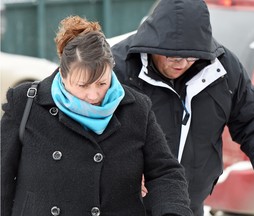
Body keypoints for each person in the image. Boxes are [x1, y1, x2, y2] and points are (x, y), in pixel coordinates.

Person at [1, 15, 194, 216]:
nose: (93, 96)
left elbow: (165, 173)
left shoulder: (136, 108)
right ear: (63, 75)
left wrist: (173, 212)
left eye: (102, 83)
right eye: (82, 85)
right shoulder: (27, 103)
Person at [111, 0, 254, 215]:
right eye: (172, 56)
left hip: (188, 203)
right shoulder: (117, 68)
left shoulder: (222, 68)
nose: (182, 63)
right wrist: (122, 167)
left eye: (191, 56)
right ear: (153, 44)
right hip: (125, 204)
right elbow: (84, 128)